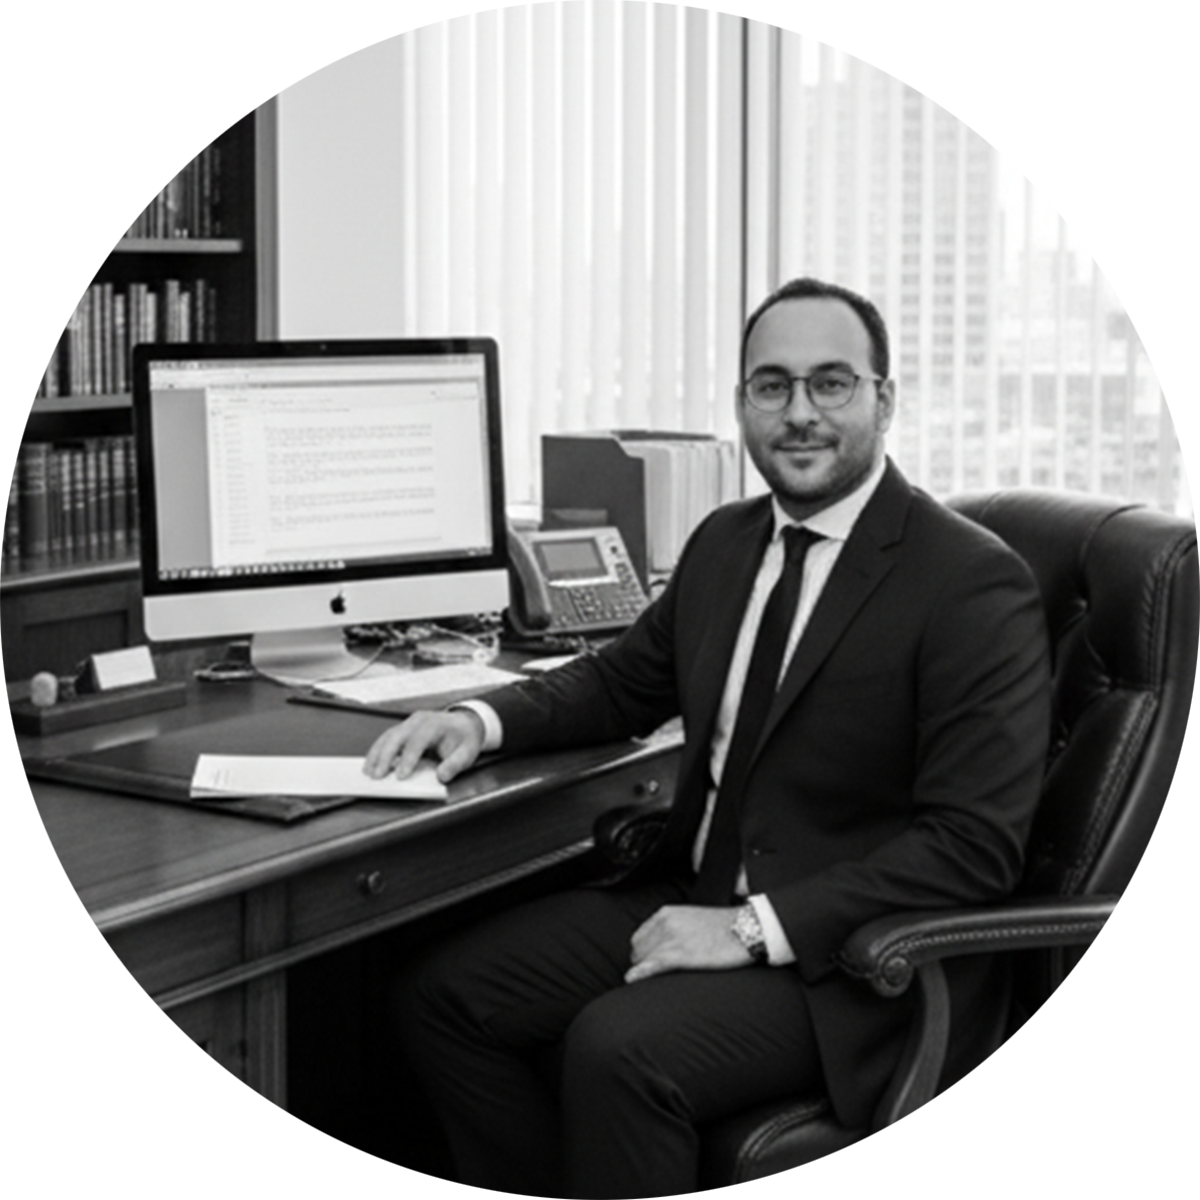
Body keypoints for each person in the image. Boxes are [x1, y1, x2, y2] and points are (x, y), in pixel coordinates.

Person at [363, 277, 1052, 1200]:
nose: (799, 413)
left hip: (852, 960)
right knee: (445, 999)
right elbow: (617, 683)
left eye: (832, 383)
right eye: (771, 386)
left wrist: (747, 927)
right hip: (695, 887)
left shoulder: (969, 583)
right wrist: (477, 720)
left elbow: (973, 847)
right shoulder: (726, 542)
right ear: (741, 405)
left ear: (885, 400)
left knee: (618, 1048)